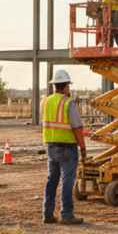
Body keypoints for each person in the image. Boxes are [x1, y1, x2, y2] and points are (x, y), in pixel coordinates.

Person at [41, 68, 87, 225]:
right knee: (68, 180)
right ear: (66, 85)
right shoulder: (68, 102)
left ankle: (47, 213)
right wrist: (83, 149)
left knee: (52, 179)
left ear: (55, 85)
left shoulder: (46, 101)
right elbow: (77, 128)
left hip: (50, 145)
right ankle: (66, 214)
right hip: (67, 147)